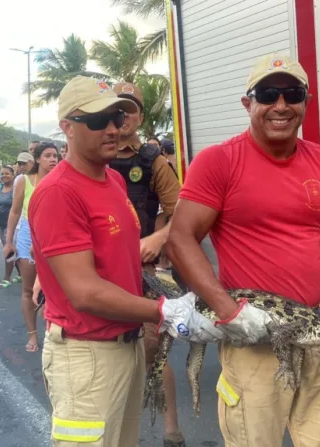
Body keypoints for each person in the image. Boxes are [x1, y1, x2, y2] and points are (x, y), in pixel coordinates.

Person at [165, 53, 320, 447]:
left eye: (292, 94)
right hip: (254, 338)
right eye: (268, 94)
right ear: (248, 103)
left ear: (306, 101)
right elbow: (180, 239)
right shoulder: (218, 161)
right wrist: (227, 310)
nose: (280, 106)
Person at [29, 75, 223, 447]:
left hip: (127, 347)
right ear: (67, 127)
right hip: (87, 357)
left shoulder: (113, 183)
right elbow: (84, 292)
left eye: (118, 118)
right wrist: (165, 311)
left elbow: (117, 255)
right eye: (99, 120)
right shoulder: (58, 192)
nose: (113, 129)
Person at [109, 81, 185, 446]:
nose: (123, 116)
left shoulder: (152, 160)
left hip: (141, 270)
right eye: (116, 109)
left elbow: (181, 211)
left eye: (130, 109)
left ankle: (172, 430)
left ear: (140, 116)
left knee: (154, 347)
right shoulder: (94, 154)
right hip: (96, 269)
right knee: (106, 347)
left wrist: (159, 239)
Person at [3, 148, 57, 352]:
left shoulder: (61, 179)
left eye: (55, 156)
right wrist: (9, 242)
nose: (52, 160)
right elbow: (15, 211)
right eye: (48, 156)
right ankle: (32, 335)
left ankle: (51, 332)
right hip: (28, 234)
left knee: (54, 288)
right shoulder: (24, 181)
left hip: (53, 235)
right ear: (37, 159)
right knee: (28, 289)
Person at [0, 166, 19, 288]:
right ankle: (21, 273)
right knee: (12, 252)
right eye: (2, 174)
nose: (4, 176)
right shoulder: (0, 189)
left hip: (12, 226)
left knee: (9, 252)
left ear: (13, 175)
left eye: (7, 173)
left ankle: (7, 277)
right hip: (1, 226)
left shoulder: (16, 190)